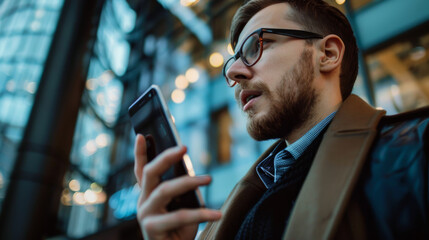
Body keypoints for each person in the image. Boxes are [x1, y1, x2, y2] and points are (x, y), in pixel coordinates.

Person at [134, 0, 429, 239]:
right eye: (233, 60)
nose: (234, 72)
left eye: (256, 46)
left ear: (327, 54)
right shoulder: (246, 199)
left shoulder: (416, 151)